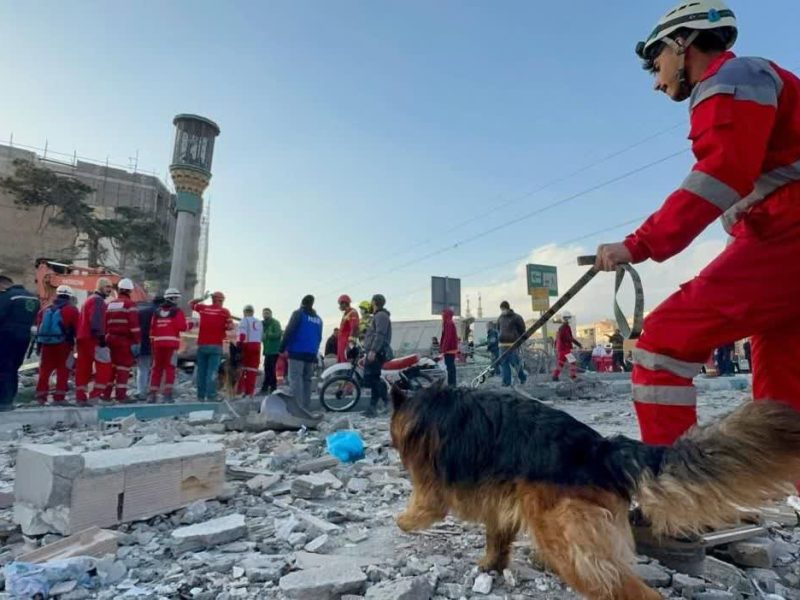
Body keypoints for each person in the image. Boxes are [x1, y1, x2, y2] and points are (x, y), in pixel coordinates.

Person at [596, 0, 800, 445]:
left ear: (680, 43)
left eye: (656, 63)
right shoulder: (756, 80)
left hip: (787, 230)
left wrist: (636, 244)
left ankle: (677, 499)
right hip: (780, 232)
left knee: (661, 346)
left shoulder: (729, 78)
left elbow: (721, 173)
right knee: (785, 390)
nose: (656, 81)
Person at [35, 285, 79, 406]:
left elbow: (39, 329)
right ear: (70, 296)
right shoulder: (72, 310)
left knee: (44, 372)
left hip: (46, 345)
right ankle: (59, 397)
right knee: (63, 370)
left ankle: (41, 397)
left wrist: (39, 347)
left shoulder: (44, 310)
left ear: (57, 295)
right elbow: (77, 330)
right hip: (64, 345)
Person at [0, 275, 40, 411]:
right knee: (13, 368)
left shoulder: (7, 297)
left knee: (4, 368)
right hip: (24, 337)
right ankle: (9, 400)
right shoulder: (33, 298)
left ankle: (3, 401)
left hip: (6, 336)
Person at [279, 295, 323, 410]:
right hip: (311, 353)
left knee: (295, 379)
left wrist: (281, 348)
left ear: (302, 303)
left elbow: (289, 330)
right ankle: (305, 407)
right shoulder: (319, 319)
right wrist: (314, 351)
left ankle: (297, 408)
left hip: (297, 352)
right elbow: (319, 337)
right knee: (307, 380)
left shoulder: (298, 314)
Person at [75, 277, 114, 405]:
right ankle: (95, 396)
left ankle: (80, 397)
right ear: (101, 287)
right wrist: (102, 339)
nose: (110, 289)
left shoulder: (88, 300)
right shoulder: (98, 301)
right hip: (94, 339)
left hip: (82, 339)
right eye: (107, 287)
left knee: (83, 368)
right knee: (105, 367)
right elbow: (96, 321)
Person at [189, 291, 233, 402]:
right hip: (216, 346)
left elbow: (190, 304)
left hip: (202, 345)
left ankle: (200, 396)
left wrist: (202, 298)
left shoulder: (203, 308)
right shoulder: (224, 312)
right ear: (221, 300)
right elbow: (230, 327)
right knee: (212, 372)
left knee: (201, 372)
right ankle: (211, 396)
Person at [104, 278, 141, 402]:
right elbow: (134, 326)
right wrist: (138, 341)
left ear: (119, 290)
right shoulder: (130, 305)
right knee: (123, 368)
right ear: (130, 291)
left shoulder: (110, 304)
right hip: (124, 341)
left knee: (111, 368)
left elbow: (104, 323)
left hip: (110, 339)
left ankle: (106, 395)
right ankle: (121, 395)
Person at [149, 288, 187, 403]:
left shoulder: (156, 312)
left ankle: (152, 395)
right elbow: (182, 327)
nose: (177, 300)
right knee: (170, 368)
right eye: (176, 298)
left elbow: (152, 329)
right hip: (171, 345)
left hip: (158, 344)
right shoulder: (177, 311)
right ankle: (167, 394)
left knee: (156, 369)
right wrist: (191, 323)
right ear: (173, 298)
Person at [363, 294, 392, 417]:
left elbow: (379, 334)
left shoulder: (381, 316)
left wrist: (373, 350)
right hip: (375, 351)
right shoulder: (379, 315)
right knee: (374, 379)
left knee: (374, 379)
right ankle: (373, 408)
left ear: (374, 302)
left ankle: (387, 402)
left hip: (377, 352)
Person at [135, 295, 162, 400]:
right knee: (156, 369)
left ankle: (141, 391)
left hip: (142, 343)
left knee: (142, 368)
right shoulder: (160, 313)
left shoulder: (142, 312)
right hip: (156, 343)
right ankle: (153, 392)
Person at [496, 301, 527, 387]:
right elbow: (498, 329)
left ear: (507, 308)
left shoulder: (516, 317)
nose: (502, 311)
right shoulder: (500, 318)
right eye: (501, 309)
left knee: (515, 363)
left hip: (513, 344)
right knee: (504, 363)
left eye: (503, 309)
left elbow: (522, 329)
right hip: (502, 344)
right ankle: (506, 382)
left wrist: (520, 340)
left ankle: (523, 378)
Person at [236, 305, 263, 396]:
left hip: (246, 346)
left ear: (244, 312)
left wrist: (239, 346)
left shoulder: (244, 320)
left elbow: (242, 335)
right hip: (257, 346)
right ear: (253, 312)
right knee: (252, 371)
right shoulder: (259, 322)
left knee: (241, 370)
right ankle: (249, 392)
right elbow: (261, 336)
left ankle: (240, 391)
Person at [552, 312, 582, 381]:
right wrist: (578, 344)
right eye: (567, 318)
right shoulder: (564, 328)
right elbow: (569, 338)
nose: (568, 319)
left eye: (569, 318)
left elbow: (568, 338)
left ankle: (555, 376)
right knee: (572, 361)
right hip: (564, 349)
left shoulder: (564, 327)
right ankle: (572, 376)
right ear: (564, 319)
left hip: (563, 348)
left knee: (561, 363)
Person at [259, 308, 282, 394]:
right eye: (264, 313)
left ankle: (273, 387)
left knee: (272, 369)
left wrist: (268, 334)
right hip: (267, 351)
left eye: (267, 313)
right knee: (267, 369)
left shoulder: (275, 323)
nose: (265, 315)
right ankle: (265, 387)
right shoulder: (262, 324)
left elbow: (278, 334)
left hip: (274, 350)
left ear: (271, 314)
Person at [337, 295, 360, 363]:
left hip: (346, 343)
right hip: (341, 343)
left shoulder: (352, 312)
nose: (339, 306)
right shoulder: (346, 314)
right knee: (340, 363)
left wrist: (350, 344)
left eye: (340, 304)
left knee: (346, 363)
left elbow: (354, 327)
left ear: (344, 303)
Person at [440, 308, 458, 386]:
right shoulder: (450, 323)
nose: (441, 316)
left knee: (450, 367)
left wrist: (443, 349)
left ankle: (452, 384)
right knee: (451, 367)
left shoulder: (448, 323)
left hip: (449, 349)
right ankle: (452, 383)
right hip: (451, 349)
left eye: (443, 314)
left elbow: (447, 337)